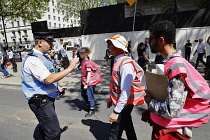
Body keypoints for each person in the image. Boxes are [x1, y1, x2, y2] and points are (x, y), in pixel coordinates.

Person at [143, 20, 210, 140]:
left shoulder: (175, 65)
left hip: (171, 133)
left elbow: (172, 110)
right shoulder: (172, 63)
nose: (149, 42)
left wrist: (150, 101)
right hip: (169, 129)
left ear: (161, 40)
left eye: (151, 39)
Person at [21, 32, 79, 140]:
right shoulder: (33, 59)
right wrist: (70, 68)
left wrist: (57, 87)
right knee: (54, 133)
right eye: (49, 43)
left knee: (45, 129)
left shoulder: (42, 57)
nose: (51, 46)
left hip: (45, 99)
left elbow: (47, 76)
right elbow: (48, 79)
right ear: (40, 42)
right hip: (40, 102)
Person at [105, 34, 146, 140]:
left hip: (125, 102)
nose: (108, 47)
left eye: (111, 45)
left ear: (119, 47)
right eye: (108, 44)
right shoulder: (117, 60)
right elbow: (116, 83)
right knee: (127, 125)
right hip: (122, 101)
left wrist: (116, 111)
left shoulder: (125, 64)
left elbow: (125, 91)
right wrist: (111, 99)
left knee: (114, 133)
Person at [79, 47, 102, 117]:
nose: (80, 54)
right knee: (83, 94)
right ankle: (89, 104)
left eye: (82, 53)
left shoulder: (87, 63)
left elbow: (89, 73)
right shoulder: (83, 61)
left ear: (86, 54)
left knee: (90, 96)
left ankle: (91, 109)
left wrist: (87, 84)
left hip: (88, 83)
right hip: (83, 81)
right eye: (80, 52)